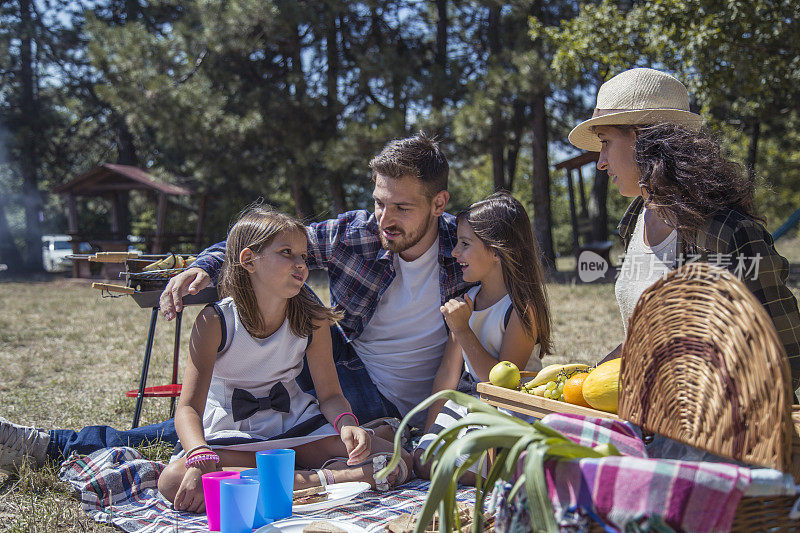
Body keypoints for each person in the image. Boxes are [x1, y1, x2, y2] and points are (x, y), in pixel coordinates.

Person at [0, 132, 470, 470]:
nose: (383, 218)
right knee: (278, 278)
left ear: (439, 203)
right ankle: (53, 445)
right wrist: (205, 266)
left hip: (424, 400)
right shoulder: (354, 235)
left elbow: (514, 313)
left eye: (401, 208)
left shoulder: (467, 249)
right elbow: (265, 242)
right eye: (378, 202)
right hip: (348, 375)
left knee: (256, 427)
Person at [157, 206, 411, 512]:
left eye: (303, 256)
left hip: (294, 425)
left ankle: (299, 478)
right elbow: (187, 408)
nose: (301, 264)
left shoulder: (313, 320)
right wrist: (199, 454)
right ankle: (332, 477)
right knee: (173, 480)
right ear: (249, 260)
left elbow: (330, 395)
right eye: (287, 252)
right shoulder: (215, 322)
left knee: (400, 457)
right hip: (232, 432)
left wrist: (346, 424)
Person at [568, 67, 800, 389]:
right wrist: (591, 377)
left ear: (639, 138)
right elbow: (647, 336)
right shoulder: (634, 223)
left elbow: (785, 355)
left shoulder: (727, 233)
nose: (601, 162)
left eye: (606, 142)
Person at [413, 192, 552, 481]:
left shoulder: (522, 309)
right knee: (424, 463)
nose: (455, 253)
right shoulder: (468, 301)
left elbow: (503, 383)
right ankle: (496, 472)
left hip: (513, 406)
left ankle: (514, 473)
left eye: (465, 244)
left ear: (497, 251)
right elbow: (448, 375)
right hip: (469, 403)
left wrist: (462, 329)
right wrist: (427, 434)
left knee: (466, 465)